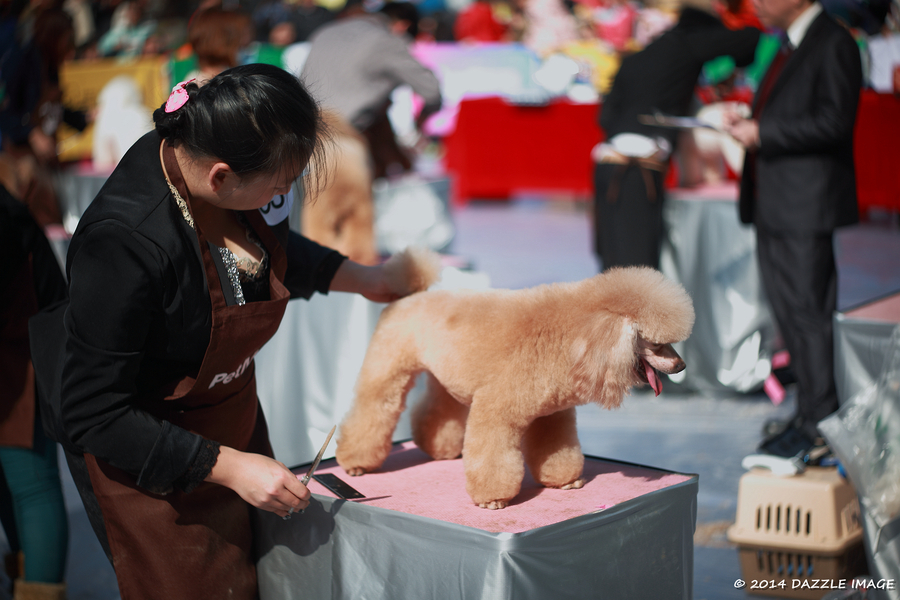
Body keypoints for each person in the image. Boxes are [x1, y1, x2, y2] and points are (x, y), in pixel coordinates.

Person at [29, 63, 414, 600]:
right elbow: (95, 411)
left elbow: (271, 248)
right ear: (221, 177)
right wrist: (227, 466)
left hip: (228, 422)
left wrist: (364, 278)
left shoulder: (221, 162)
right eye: (278, 186)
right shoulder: (123, 243)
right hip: (144, 450)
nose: (285, 194)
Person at [724, 0, 862, 454]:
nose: (757, 3)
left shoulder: (833, 41)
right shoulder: (787, 44)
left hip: (806, 204)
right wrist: (752, 123)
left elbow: (834, 121)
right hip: (776, 203)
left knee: (810, 316)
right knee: (792, 317)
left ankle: (823, 425)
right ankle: (808, 415)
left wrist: (763, 133)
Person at [591, 0, 760, 271]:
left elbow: (605, 117)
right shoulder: (689, 43)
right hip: (639, 169)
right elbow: (750, 39)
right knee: (639, 271)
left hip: (606, 164)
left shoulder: (638, 58)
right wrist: (735, 71)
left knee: (611, 264)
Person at [0, 185, 69, 600]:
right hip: (21, 337)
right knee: (13, 483)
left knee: (29, 482)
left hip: (21, 348)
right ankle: (24, 577)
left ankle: (36, 587)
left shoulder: (6, 215)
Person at [300, 0, 442, 179]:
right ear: (403, 26)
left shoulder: (325, 31)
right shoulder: (387, 40)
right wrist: (421, 122)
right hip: (346, 141)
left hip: (305, 135)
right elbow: (431, 89)